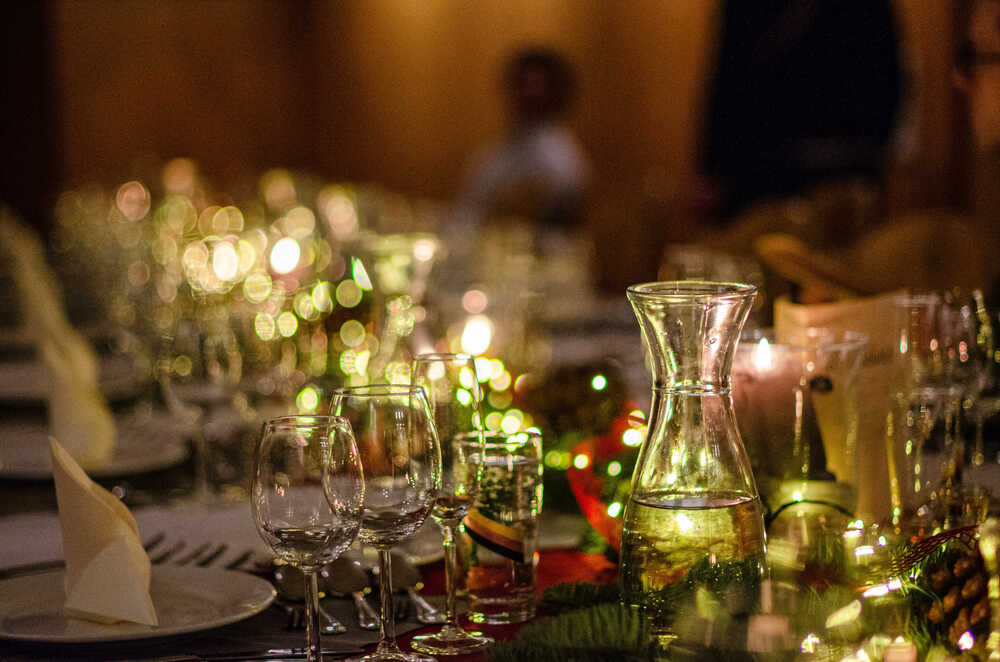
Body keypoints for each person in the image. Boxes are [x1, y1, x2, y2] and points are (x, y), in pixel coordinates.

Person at [455, 46, 590, 233]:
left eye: (536, 86)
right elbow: (469, 209)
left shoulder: (562, 159)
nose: (527, 93)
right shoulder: (498, 148)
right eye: (521, 84)